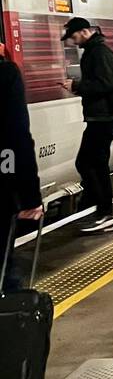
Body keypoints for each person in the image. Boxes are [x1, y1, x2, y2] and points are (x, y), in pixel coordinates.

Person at [64, 18, 113, 234]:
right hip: (100, 118)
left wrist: (77, 85)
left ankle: (104, 213)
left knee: (91, 164)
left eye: (74, 35)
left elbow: (107, 83)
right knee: (91, 163)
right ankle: (94, 209)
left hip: (104, 119)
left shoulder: (99, 53)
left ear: (85, 31)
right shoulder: (94, 51)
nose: (72, 40)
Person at [0, 47, 43, 290]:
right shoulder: (6, 75)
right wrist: (30, 198)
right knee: (5, 276)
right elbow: (17, 139)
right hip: (2, 189)